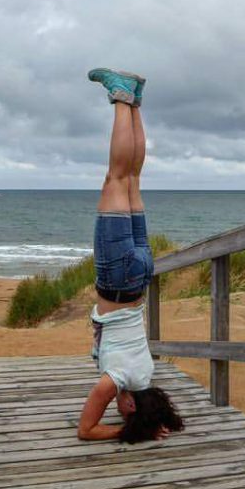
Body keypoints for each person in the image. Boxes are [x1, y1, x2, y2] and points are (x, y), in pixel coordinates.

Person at [76, 68, 185, 443]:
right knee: (116, 178)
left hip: (140, 276)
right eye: (122, 412)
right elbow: (85, 430)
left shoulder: (145, 374)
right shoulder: (118, 380)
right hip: (117, 279)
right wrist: (126, 430)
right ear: (133, 407)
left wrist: (150, 424)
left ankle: (134, 101)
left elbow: (136, 403)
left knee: (133, 180)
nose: (115, 408)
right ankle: (121, 97)